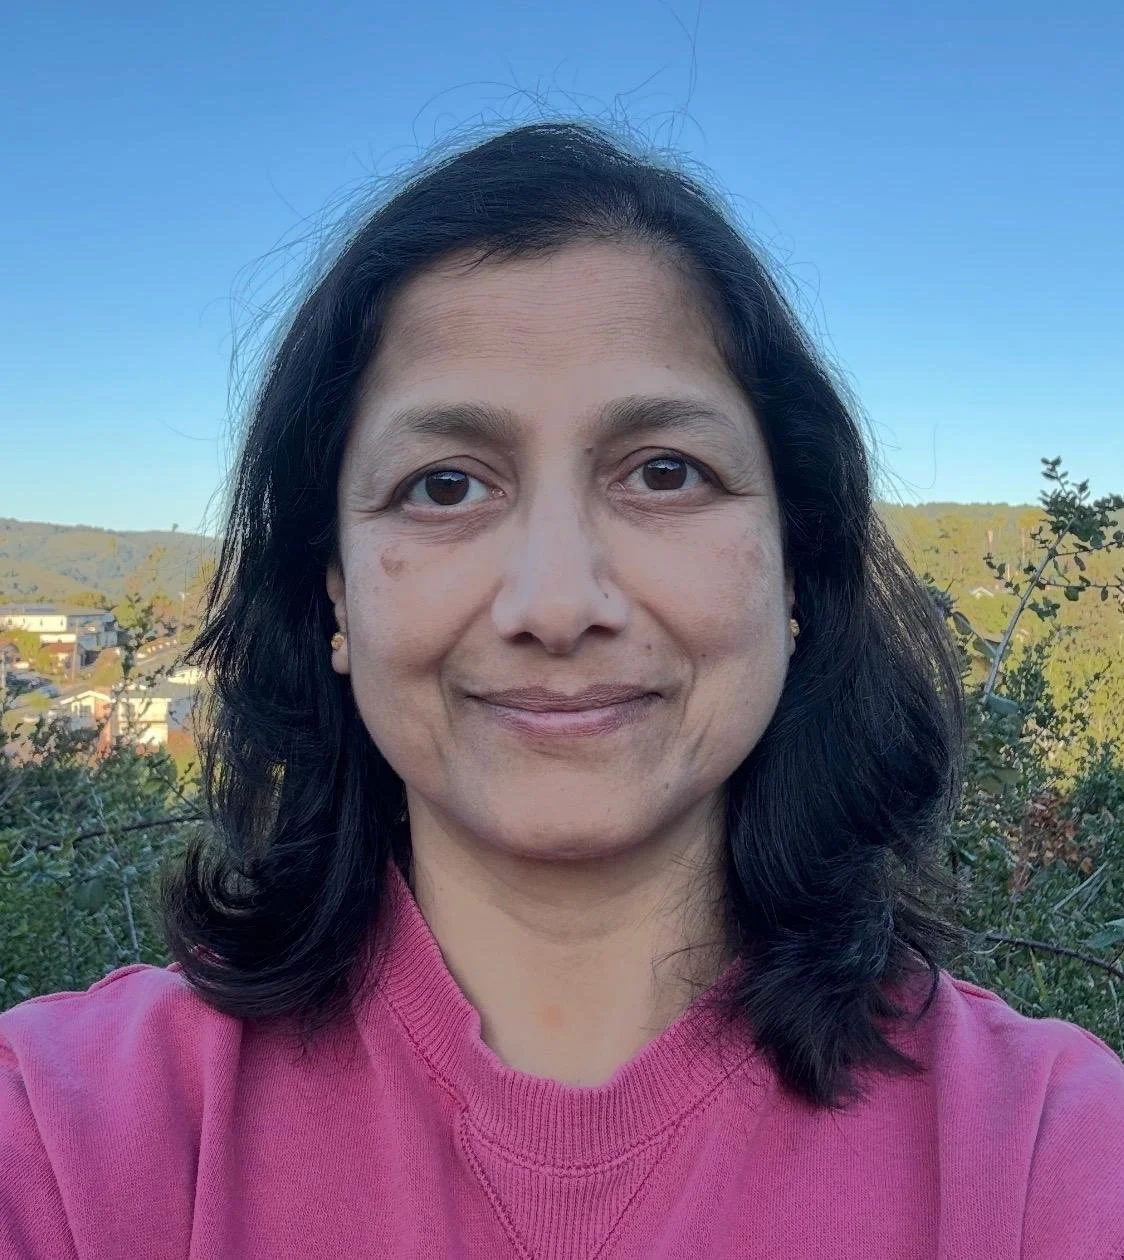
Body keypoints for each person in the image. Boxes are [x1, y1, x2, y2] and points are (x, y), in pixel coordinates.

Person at [2, 119, 1122, 1260]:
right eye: (445, 485)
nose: (555, 600)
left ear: (796, 558)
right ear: (334, 590)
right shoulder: (59, 1139)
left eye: (663, 472)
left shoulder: (1047, 1159)